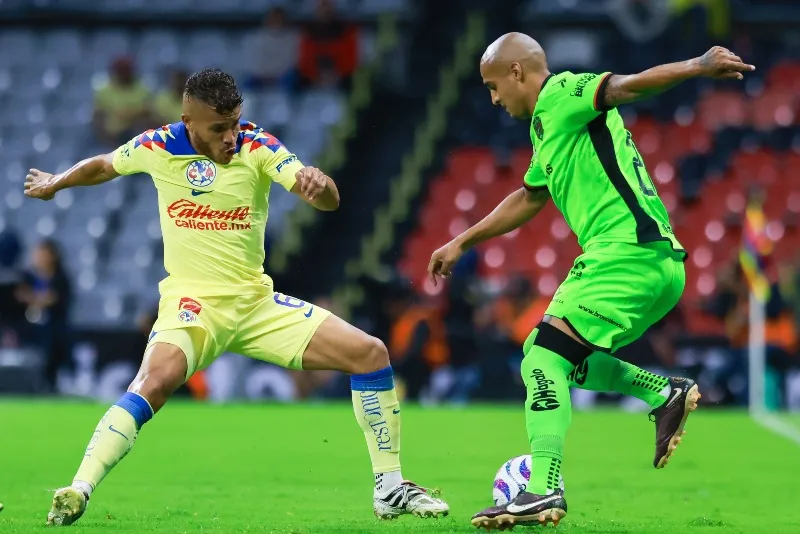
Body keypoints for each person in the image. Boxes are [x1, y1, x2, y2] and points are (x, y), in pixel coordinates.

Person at [25, 68, 448, 526]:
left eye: (234, 123)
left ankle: (390, 488)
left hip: (254, 304)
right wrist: (58, 181)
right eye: (218, 128)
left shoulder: (257, 145)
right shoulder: (158, 146)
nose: (230, 137)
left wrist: (319, 185)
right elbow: (104, 164)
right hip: (192, 304)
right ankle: (78, 489)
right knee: (153, 382)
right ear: (188, 120)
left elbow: (327, 199)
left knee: (371, 353)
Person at [427, 33, 754, 529]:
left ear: (517, 73)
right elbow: (529, 197)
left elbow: (624, 87)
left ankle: (544, 488)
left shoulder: (562, 93)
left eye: (494, 86)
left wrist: (698, 64)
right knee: (565, 361)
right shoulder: (546, 128)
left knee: (540, 358)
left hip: (626, 255)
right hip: (652, 264)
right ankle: (661, 391)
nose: (493, 99)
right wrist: (462, 241)